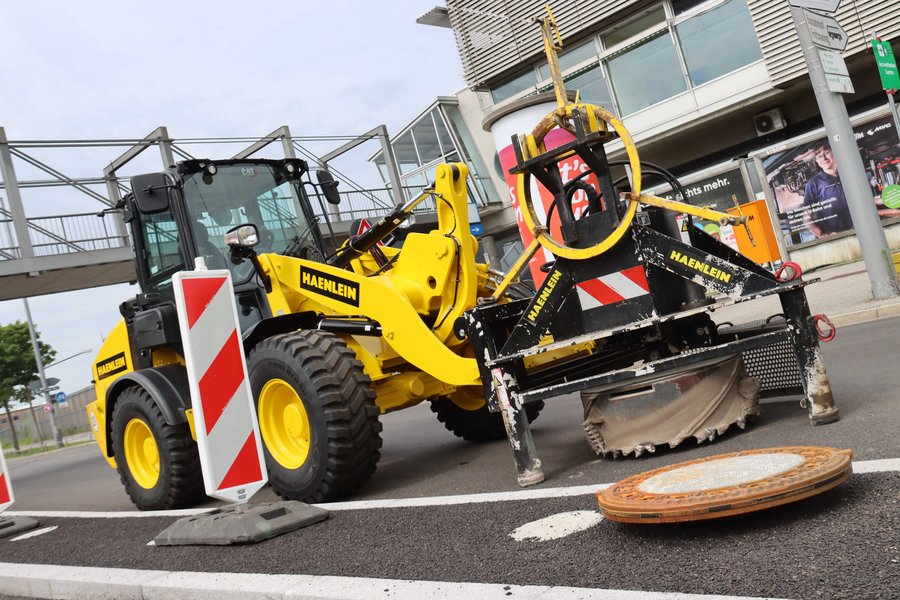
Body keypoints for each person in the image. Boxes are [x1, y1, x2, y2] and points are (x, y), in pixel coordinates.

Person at [802, 143, 852, 238]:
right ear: (816, 161)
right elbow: (807, 219)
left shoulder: (849, 173)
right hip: (835, 236)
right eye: (819, 156)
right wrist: (822, 234)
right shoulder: (813, 183)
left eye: (827, 152)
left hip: (858, 229)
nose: (824, 158)